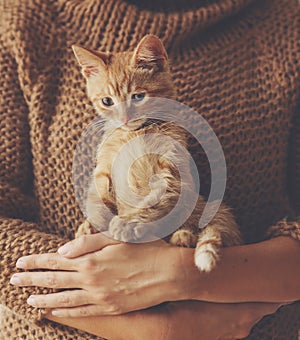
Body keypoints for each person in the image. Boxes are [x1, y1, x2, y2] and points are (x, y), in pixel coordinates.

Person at [1, 0, 299, 339]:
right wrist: (155, 328)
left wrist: (185, 275)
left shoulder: (286, 22)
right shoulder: (28, 19)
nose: (125, 116)